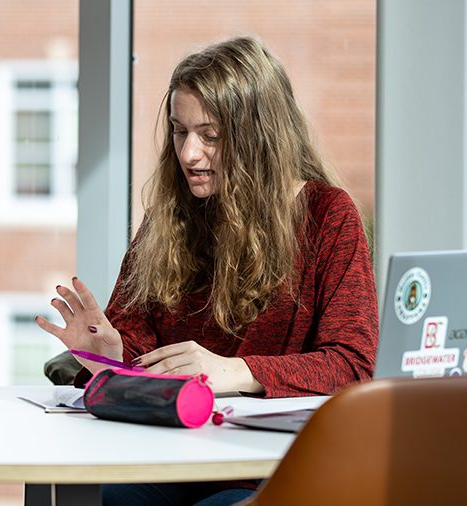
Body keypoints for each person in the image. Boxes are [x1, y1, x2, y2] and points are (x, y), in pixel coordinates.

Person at [36, 36, 378, 505]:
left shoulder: (327, 215)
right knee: (97, 498)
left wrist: (236, 371)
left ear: (260, 136)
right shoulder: (169, 218)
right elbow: (137, 345)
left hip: (268, 468)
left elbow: (354, 364)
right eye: (180, 131)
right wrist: (112, 353)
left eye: (211, 136)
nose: (190, 154)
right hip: (167, 457)